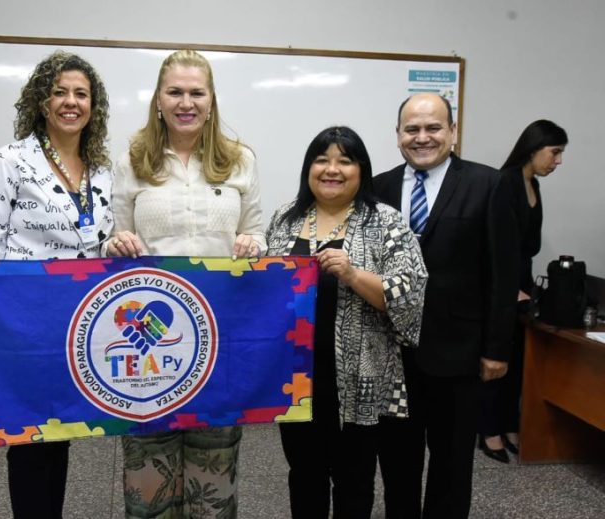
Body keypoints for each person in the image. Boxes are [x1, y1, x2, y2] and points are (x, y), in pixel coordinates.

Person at [0, 51, 113, 518]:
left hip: (82, 326)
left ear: (93, 106)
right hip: (28, 325)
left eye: (81, 94)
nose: (71, 102)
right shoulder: (8, 161)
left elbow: (103, 239)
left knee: (61, 436)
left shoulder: (103, 171)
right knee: (33, 441)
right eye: (60, 92)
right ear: (41, 101)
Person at [106, 49, 265, 518]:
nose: (186, 102)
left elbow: (256, 231)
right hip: (149, 341)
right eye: (175, 92)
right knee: (148, 475)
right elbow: (114, 237)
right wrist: (117, 243)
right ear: (158, 99)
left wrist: (253, 243)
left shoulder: (240, 161)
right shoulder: (132, 160)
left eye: (197, 92)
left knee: (213, 474)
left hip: (218, 334)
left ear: (212, 100)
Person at [265, 126, 427, 518]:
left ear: (361, 170)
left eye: (344, 160)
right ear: (309, 168)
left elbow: (409, 295)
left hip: (361, 378)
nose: (331, 169)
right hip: (298, 379)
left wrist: (354, 275)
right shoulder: (285, 220)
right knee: (304, 475)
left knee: (354, 480)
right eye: (322, 159)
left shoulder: (386, 222)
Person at [374, 93, 518, 519]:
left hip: (459, 352)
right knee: (396, 459)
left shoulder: (488, 185)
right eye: (411, 129)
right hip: (390, 353)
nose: (422, 137)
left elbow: (503, 275)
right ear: (397, 135)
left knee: (452, 461)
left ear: (453, 132)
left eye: (433, 128)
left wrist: (497, 349)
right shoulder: (377, 187)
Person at [478, 120, 568, 463]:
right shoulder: (506, 182)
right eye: (554, 152)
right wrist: (510, 289)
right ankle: (488, 431)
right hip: (503, 285)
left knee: (516, 360)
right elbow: (497, 247)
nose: (557, 161)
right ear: (534, 148)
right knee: (495, 357)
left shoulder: (534, 185)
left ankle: (508, 423)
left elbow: (529, 245)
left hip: (522, 283)